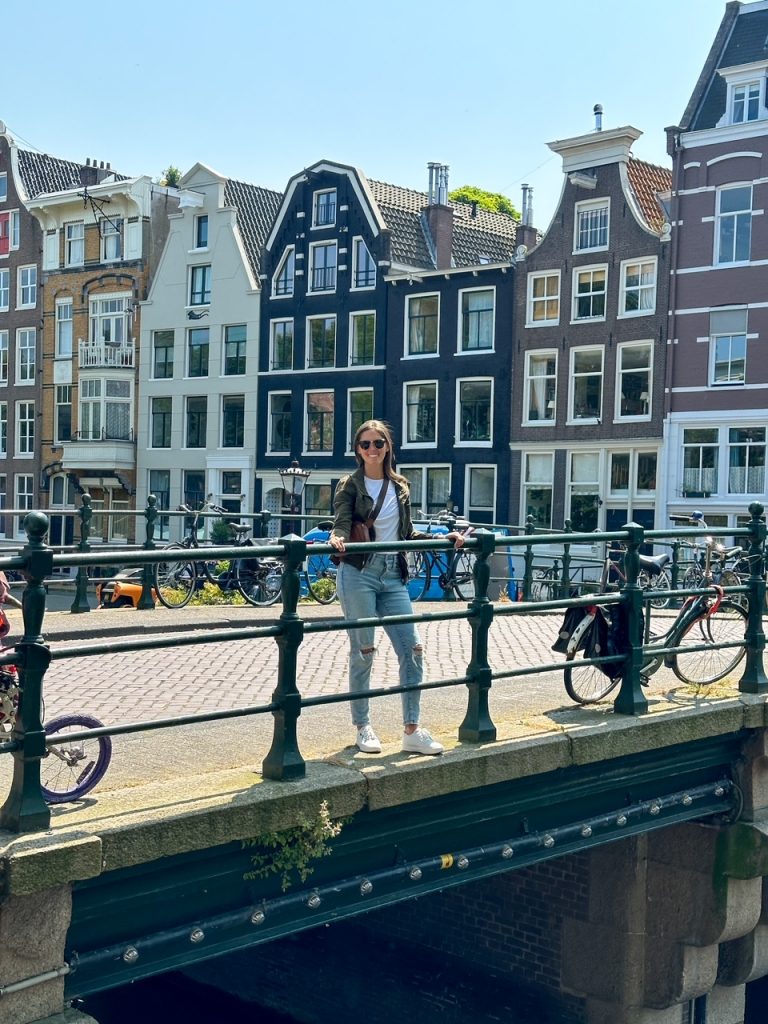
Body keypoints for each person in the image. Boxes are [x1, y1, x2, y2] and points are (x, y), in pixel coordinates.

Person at [328, 419, 466, 756]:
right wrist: (337, 538)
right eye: (365, 445)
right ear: (357, 450)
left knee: (413, 649)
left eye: (378, 443)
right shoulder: (350, 484)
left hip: (393, 575)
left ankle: (412, 730)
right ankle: (363, 727)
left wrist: (441, 538)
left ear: (388, 447)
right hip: (358, 572)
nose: (372, 450)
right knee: (364, 652)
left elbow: (406, 534)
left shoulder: (400, 486)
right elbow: (342, 521)